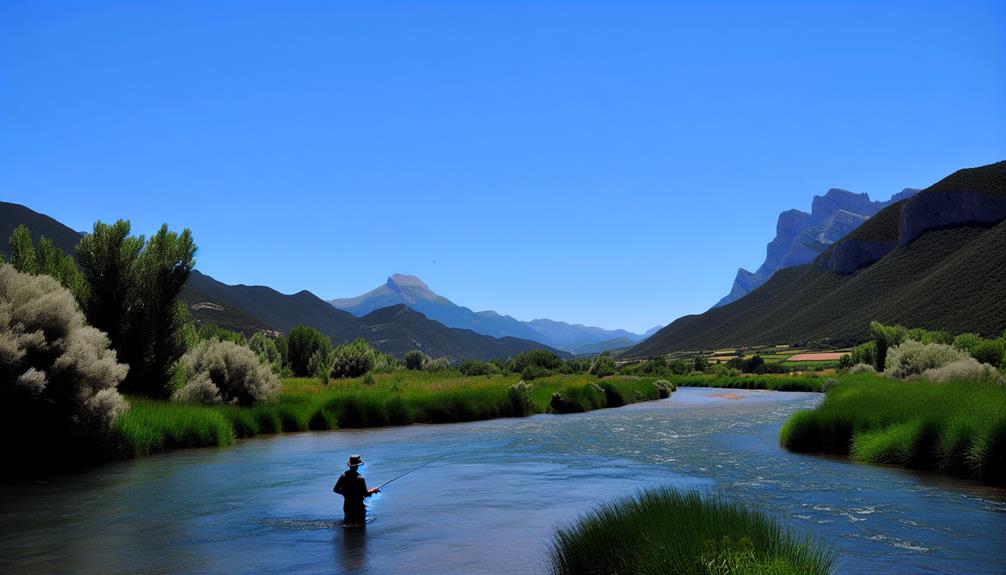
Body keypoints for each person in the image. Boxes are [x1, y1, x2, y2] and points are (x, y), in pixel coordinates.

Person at [333, 454, 379, 527]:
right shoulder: (360, 478)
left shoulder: (343, 475)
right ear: (357, 465)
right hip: (358, 507)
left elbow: (335, 489)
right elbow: (365, 494)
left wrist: (345, 494)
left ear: (350, 465)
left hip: (347, 505)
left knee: (347, 526)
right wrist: (373, 491)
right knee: (361, 528)